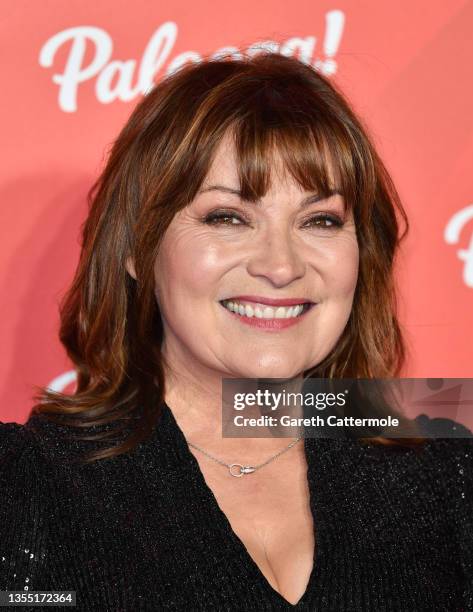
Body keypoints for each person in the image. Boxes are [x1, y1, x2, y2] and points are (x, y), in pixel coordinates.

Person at [0, 51, 472, 611]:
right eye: (228, 217)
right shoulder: (29, 487)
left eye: (320, 221)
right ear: (135, 247)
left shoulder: (448, 460)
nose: (281, 265)